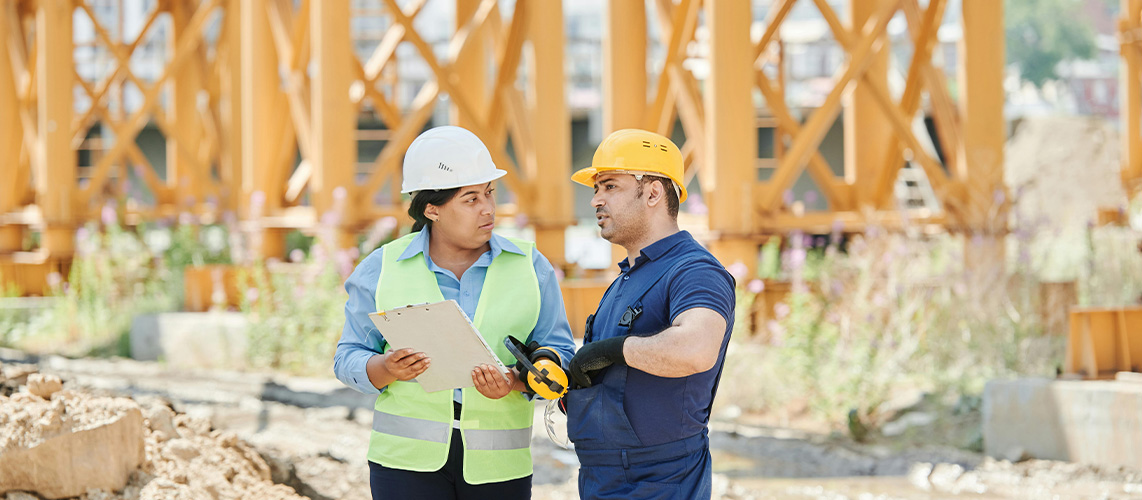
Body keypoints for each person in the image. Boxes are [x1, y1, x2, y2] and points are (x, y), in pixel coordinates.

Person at [333, 125, 576, 500]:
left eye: (489, 194)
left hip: (499, 467)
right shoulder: (381, 268)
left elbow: (560, 352)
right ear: (432, 209)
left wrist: (516, 380)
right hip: (404, 465)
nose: (488, 208)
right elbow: (347, 356)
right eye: (470, 199)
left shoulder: (531, 267)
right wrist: (385, 368)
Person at [564, 129, 736, 499]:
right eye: (596, 189)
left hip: (659, 480)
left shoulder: (694, 271)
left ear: (654, 192)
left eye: (609, 186)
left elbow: (696, 349)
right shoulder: (627, 278)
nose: (596, 200)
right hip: (603, 477)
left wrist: (610, 351)